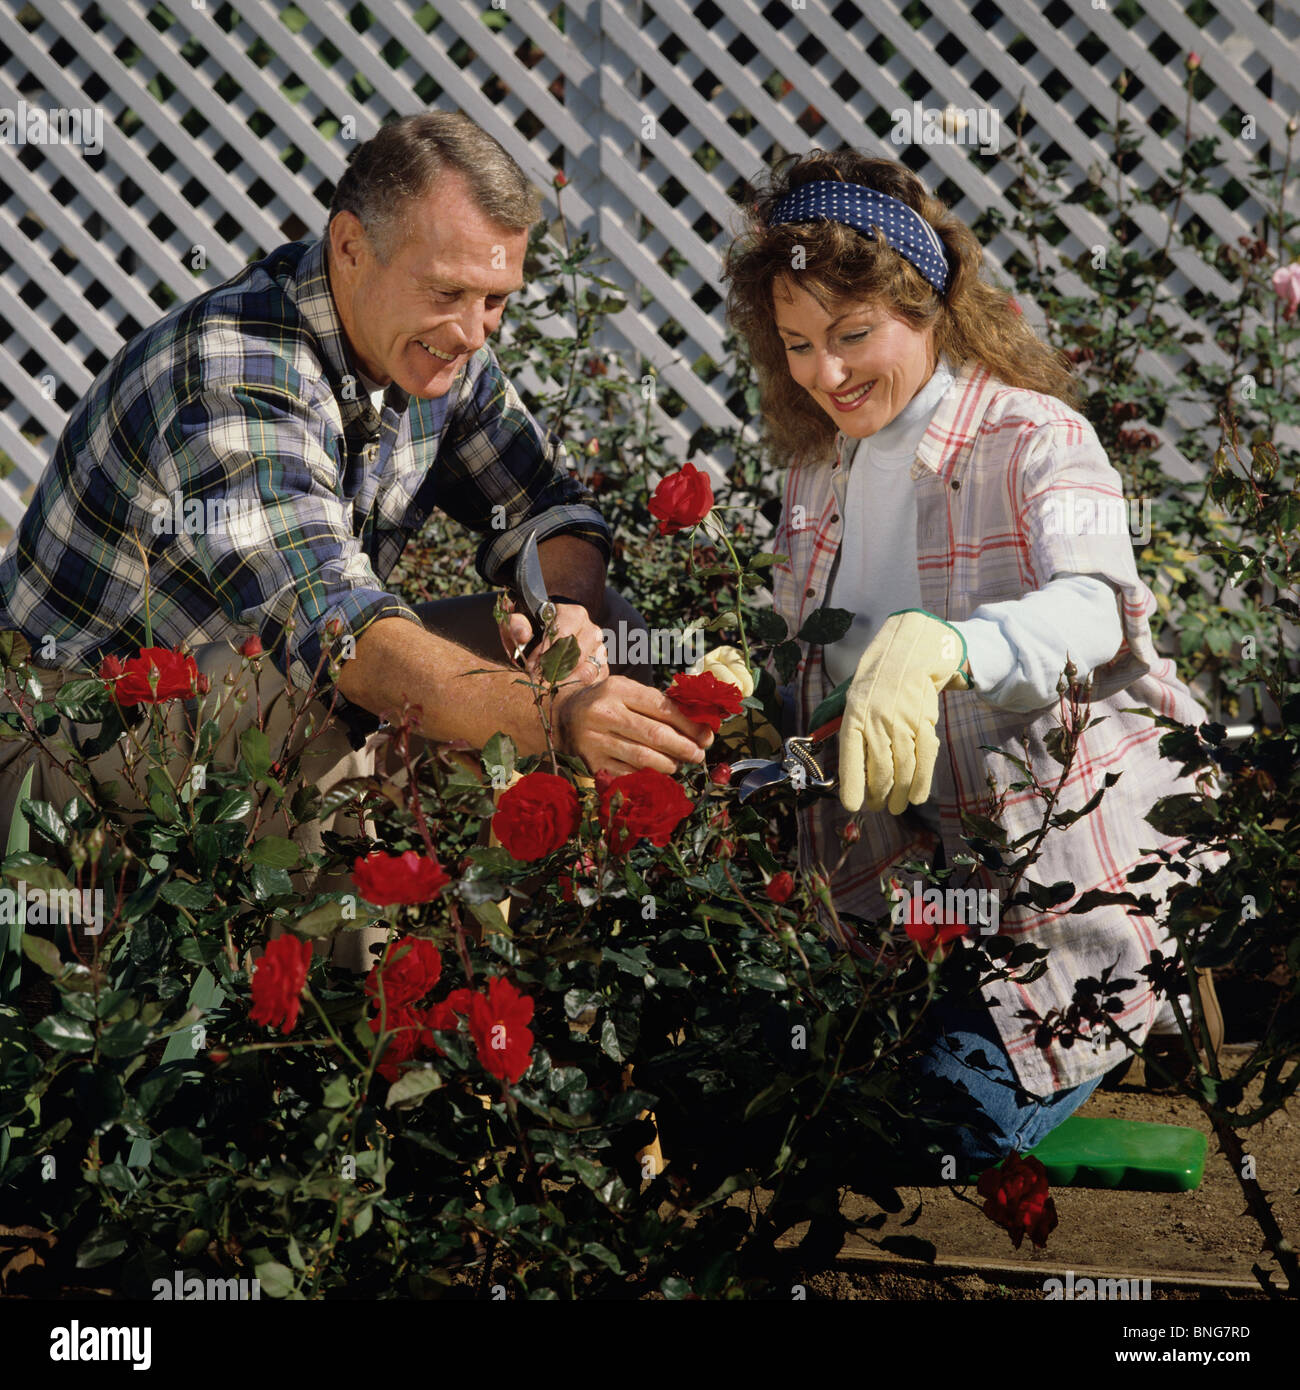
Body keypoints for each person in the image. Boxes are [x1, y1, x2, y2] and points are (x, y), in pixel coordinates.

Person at [0, 112, 711, 966]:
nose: (476, 329)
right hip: (64, 732)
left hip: (229, 688)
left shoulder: (438, 347)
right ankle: (358, 1012)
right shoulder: (237, 376)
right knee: (319, 706)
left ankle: (578, 958)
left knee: (617, 632)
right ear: (349, 248)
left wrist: (563, 616)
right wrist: (550, 714)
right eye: (448, 291)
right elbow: (340, 635)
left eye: (496, 301)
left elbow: (546, 507)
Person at [721, 150, 1223, 1166]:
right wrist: (748, 696)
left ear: (929, 302)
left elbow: (1094, 610)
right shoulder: (819, 471)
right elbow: (819, 688)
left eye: (853, 334)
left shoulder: (1039, 439)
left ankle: (1101, 1033)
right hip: (901, 893)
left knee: (926, 1129)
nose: (826, 374)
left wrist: (949, 644)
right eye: (798, 344)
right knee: (749, 1088)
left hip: (1057, 898)